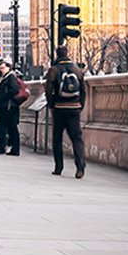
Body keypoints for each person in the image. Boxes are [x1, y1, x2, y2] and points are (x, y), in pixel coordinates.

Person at [45, 44, 87, 179]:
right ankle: (80, 166)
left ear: (57, 54)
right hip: (74, 108)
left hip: (59, 108)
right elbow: (83, 90)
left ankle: (59, 167)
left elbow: (48, 90)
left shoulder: (54, 70)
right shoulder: (77, 70)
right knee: (76, 138)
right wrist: (80, 105)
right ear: (67, 53)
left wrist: (51, 105)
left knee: (57, 138)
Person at [0, 59, 27, 156]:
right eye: (0, 68)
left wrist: (3, 97)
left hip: (8, 106)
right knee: (8, 127)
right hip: (7, 106)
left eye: (3, 68)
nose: (1, 70)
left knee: (7, 127)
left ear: (8, 67)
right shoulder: (7, 77)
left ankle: (6, 147)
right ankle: (8, 147)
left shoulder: (11, 77)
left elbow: (14, 90)